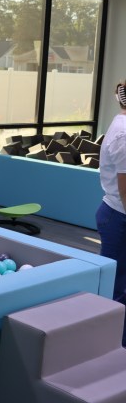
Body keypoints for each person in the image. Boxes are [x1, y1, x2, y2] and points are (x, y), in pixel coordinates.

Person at [96, 80, 126, 346]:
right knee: (115, 287)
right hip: (119, 216)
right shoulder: (124, 134)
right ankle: (110, 344)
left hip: (117, 214)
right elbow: (125, 189)